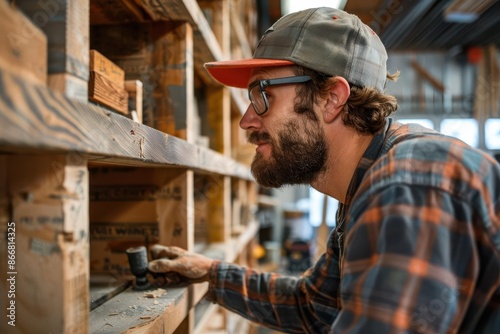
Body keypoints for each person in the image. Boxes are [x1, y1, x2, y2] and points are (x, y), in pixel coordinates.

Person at [148, 7, 500, 333]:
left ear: (332, 97)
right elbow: (316, 306)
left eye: (261, 95)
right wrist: (211, 274)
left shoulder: (407, 186)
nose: (246, 121)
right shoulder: (366, 179)